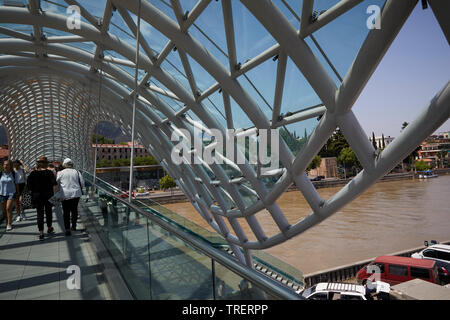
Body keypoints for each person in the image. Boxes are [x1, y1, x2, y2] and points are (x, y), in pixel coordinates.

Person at [27, 156, 58, 241]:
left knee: (39, 214)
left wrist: (33, 193)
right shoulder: (50, 173)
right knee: (49, 212)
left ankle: (41, 233)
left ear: (39, 164)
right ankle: (49, 227)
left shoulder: (33, 174)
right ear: (46, 164)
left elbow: (29, 186)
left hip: (37, 196)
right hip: (48, 195)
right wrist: (55, 197)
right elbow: (55, 185)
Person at [56, 158, 84, 236]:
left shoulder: (60, 173)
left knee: (66, 212)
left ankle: (67, 229)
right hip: (76, 194)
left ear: (64, 165)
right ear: (72, 164)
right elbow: (82, 183)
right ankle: (74, 226)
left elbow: (57, 183)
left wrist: (58, 191)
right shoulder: (77, 172)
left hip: (65, 194)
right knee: (74, 210)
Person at [0, 160, 19, 231]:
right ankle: (7, 220)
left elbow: (16, 184)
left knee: (8, 208)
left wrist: (17, 193)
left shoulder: (14, 173)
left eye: (7, 165)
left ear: (10, 166)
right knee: (4, 210)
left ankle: (9, 224)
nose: (5, 166)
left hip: (11, 193)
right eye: (4, 164)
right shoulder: (1, 174)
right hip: (2, 194)